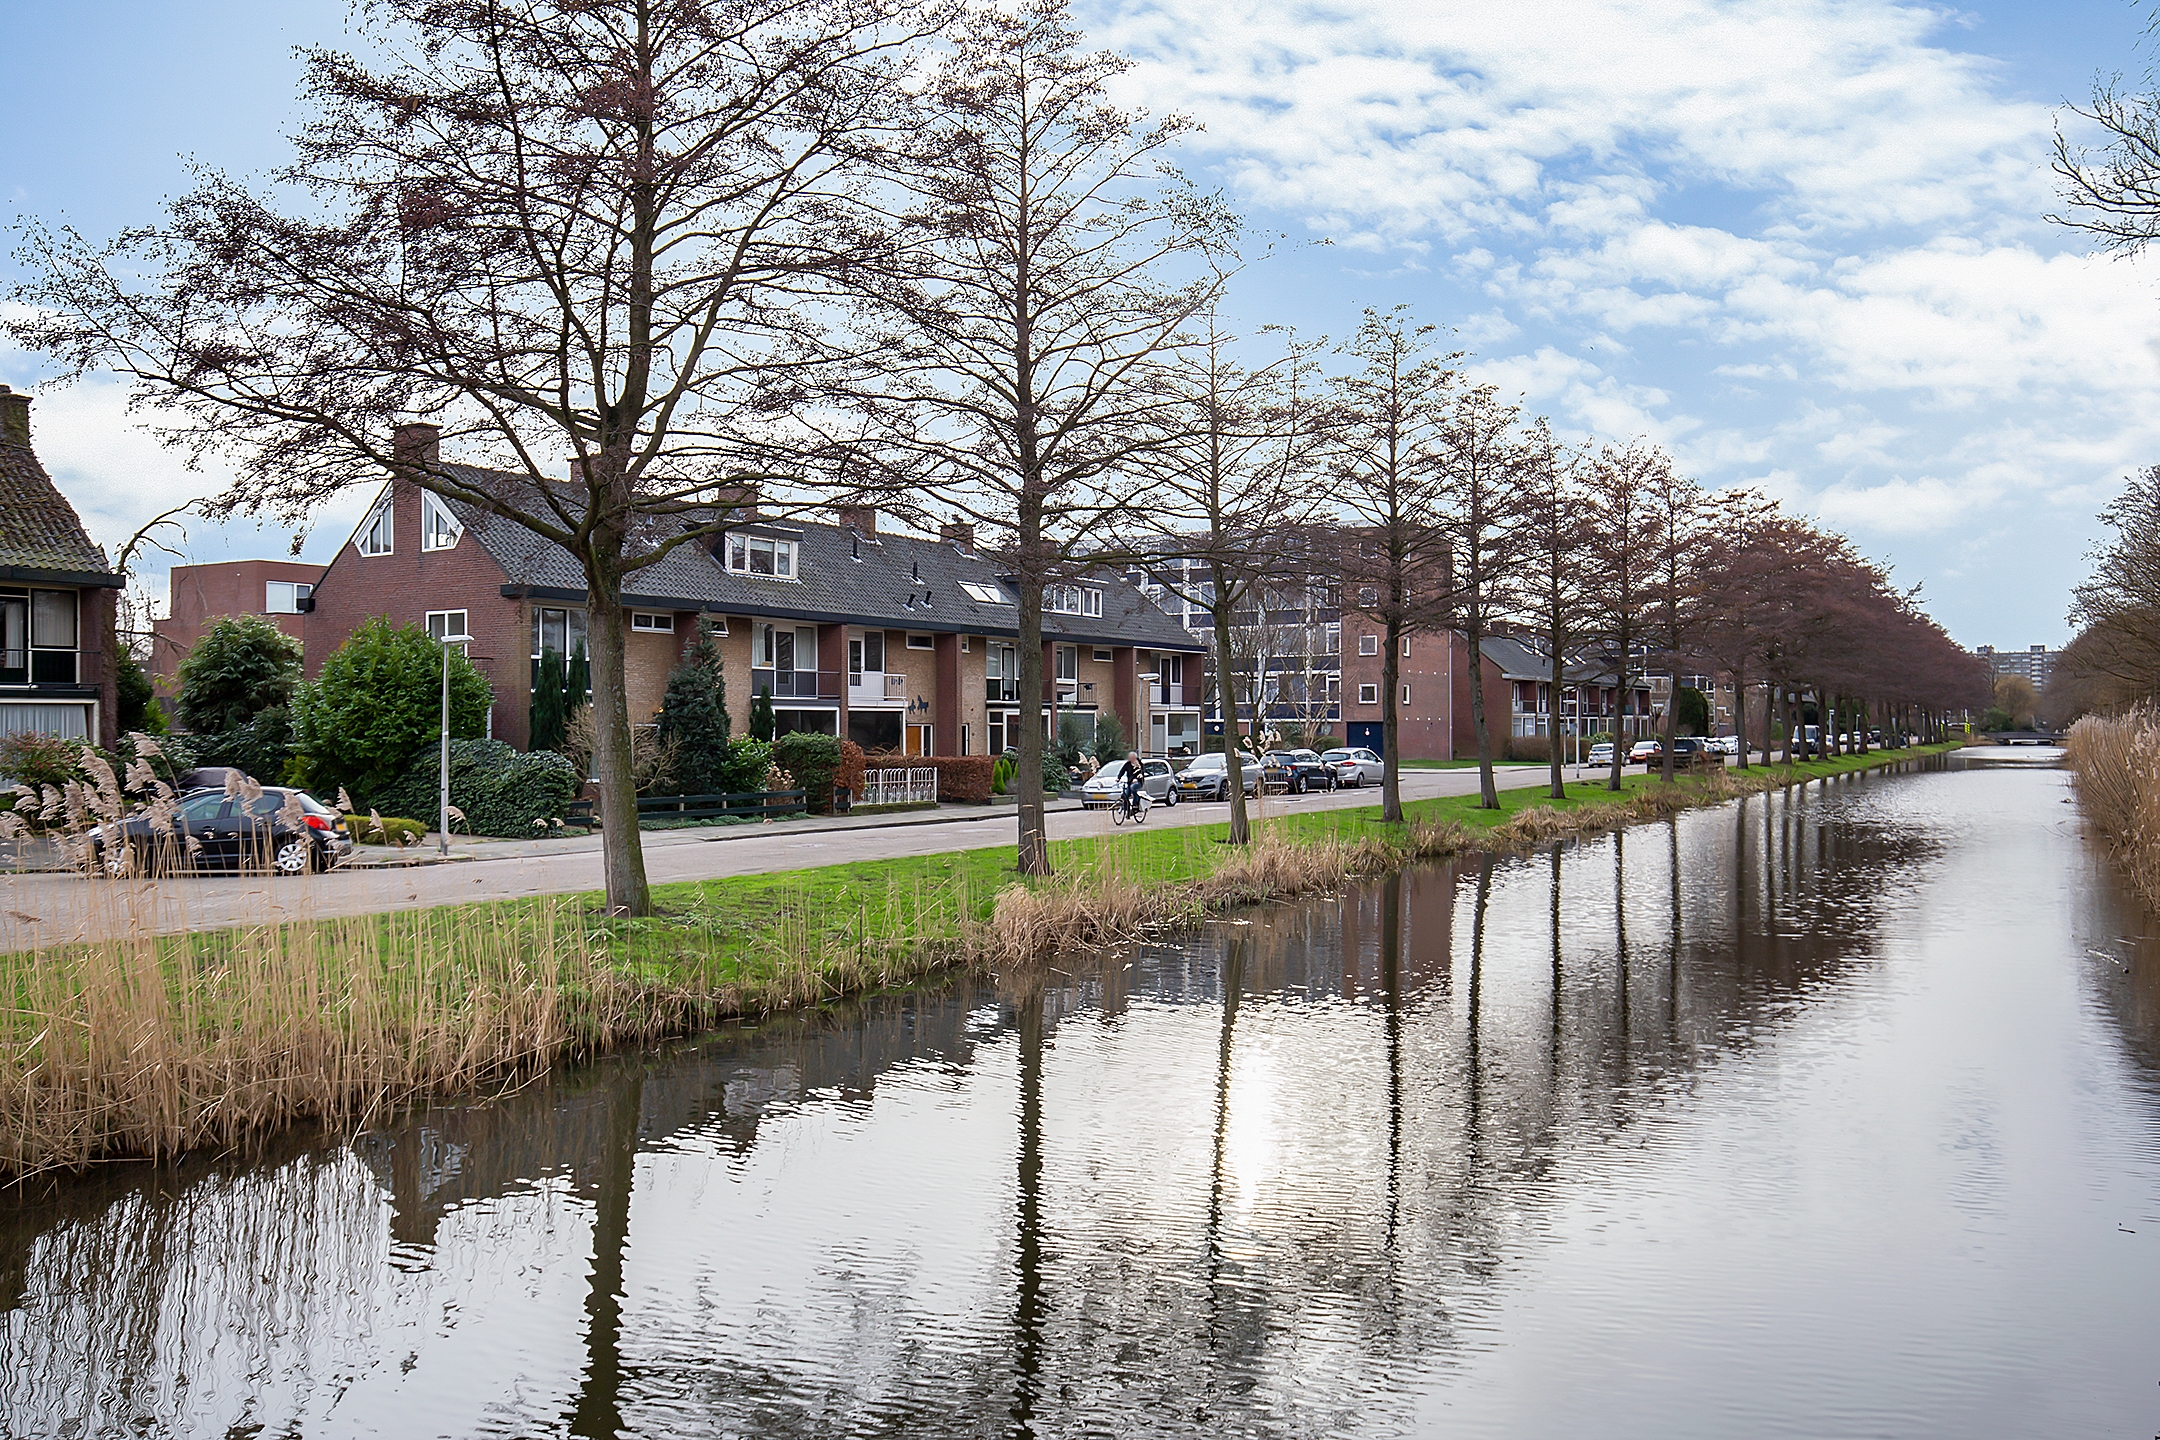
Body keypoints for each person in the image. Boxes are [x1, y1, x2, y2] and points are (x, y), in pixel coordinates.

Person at [1120, 750, 1146, 818]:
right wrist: (1118, 778)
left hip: (1138, 782)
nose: (1130, 759)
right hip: (1129, 782)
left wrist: (1137, 778)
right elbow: (1122, 771)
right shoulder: (1128, 764)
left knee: (1133, 787)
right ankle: (1127, 810)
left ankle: (1135, 803)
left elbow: (1142, 772)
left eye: (1132, 758)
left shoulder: (1139, 764)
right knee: (1126, 795)